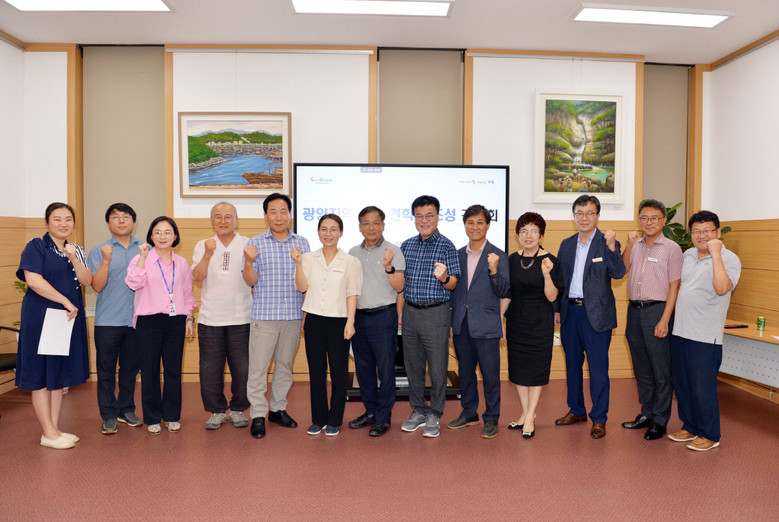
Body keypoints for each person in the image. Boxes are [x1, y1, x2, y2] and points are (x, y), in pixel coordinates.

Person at [16, 202, 92, 449]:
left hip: (65, 320)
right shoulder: (36, 245)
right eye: (57, 219)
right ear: (47, 222)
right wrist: (65, 301)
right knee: (40, 374)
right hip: (41, 317)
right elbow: (33, 281)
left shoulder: (76, 249)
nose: (63, 224)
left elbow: (87, 280)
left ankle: (55, 429)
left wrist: (74, 258)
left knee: (58, 374)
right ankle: (47, 433)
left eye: (68, 219)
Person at [668, 210, 740, 452]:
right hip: (680, 331)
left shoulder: (729, 258)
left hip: (706, 336)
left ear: (718, 232)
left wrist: (715, 253)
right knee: (683, 385)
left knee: (702, 387)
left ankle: (710, 434)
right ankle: (690, 426)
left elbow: (722, 288)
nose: (702, 235)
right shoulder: (687, 255)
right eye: (697, 231)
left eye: (708, 230)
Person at [555, 195, 625, 439]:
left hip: (597, 315)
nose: (584, 218)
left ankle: (599, 418)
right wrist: (556, 310)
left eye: (589, 213)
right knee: (572, 366)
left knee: (598, 369)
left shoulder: (607, 243)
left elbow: (618, 273)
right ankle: (576, 410)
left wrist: (612, 247)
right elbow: (559, 281)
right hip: (570, 313)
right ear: (574, 216)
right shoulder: (566, 244)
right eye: (579, 213)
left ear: (598, 216)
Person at [242, 193, 310, 439]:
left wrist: (306, 313)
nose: (279, 217)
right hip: (264, 316)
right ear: (265, 215)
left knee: (284, 366)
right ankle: (258, 414)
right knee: (258, 369)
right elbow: (250, 281)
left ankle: (278, 409)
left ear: (289, 214)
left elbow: (306, 282)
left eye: (283, 211)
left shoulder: (302, 243)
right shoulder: (255, 243)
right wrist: (249, 262)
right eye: (273, 211)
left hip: (292, 315)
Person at [292, 214, 362, 436]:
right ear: (318, 232)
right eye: (324, 229)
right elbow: (302, 287)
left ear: (341, 233)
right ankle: (319, 418)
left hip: (339, 321)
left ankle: (334, 419)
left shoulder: (350, 261)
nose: (328, 234)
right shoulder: (308, 258)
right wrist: (298, 264)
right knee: (317, 372)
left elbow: (352, 293)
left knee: (339, 373)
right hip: (314, 320)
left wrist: (350, 322)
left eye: (333, 229)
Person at [125, 216, 196, 435]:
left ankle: (172, 416)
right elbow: (133, 283)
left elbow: (187, 293)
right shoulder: (141, 258)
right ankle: (153, 417)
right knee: (150, 371)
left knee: (173, 370)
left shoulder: (182, 263)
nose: (162, 236)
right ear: (150, 236)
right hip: (149, 321)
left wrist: (189, 318)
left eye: (167, 232)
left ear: (175, 236)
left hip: (176, 320)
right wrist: (142, 258)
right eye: (157, 232)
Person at [620, 199, 683, 440]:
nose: (649, 222)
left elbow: (674, 286)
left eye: (654, 218)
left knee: (660, 370)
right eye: (644, 218)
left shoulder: (671, 248)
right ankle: (646, 413)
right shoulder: (636, 246)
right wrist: (629, 244)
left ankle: (660, 420)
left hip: (657, 311)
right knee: (641, 368)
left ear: (664, 221)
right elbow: (622, 270)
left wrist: (665, 320)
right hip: (634, 311)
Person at [399, 195, 461, 438]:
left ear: (438, 216)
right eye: (419, 216)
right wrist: (400, 315)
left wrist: (444, 278)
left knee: (437, 368)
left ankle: (435, 412)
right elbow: (401, 285)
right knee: (413, 366)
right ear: (414, 218)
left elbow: (453, 284)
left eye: (429, 215)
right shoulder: (406, 245)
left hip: (436, 312)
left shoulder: (447, 246)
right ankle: (418, 410)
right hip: (410, 312)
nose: (424, 220)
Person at [448, 204, 509, 439]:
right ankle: (469, 413)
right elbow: (453, 292)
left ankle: (492, 418)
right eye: (470, 223)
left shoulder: (498, 256)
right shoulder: (457, 254)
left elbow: (504, 290)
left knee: (490, 375)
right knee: (465, 373)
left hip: (486, 324)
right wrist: (452, 322)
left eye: (480, 223)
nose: (475, 227)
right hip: (461, 324)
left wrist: (494, 271)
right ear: (465, 225)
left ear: (488, 225)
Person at [504, 212, 564, 439]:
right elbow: (508, 293)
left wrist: (547, 275)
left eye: (533, 231)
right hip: (516, 320)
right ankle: (525, 412)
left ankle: (530, 415)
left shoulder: (550, 261)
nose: (528, 236)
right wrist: (501, 320)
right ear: (518, 235)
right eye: (523, 231)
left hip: (540, 322)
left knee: (537, 369)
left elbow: (552, 296)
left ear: (541, 235)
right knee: (518, 369)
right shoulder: (511, 260)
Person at [192, 202, 251, 430]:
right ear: (211, 221)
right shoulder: (202, 245)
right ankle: (216, 411)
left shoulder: (248, 244)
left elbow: (253, 279)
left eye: (228, 216)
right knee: (210, 370)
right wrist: (208, 254)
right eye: (218, 216)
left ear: (236, 220)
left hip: (242, 316)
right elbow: (197, 276)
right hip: (210, 318)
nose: (223, 221)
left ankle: (238, 409)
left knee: (243, 369)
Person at [347, 206, 405, 437]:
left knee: (386, 369)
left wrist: (389, 267)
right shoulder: (352, 252)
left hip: (384, 316)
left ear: (383, 225)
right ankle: (371, 411)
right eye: (366, 223)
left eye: (376, 223)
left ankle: (383, 417)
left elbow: (400, 287)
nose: (371, 227)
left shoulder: (393, 250)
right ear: (360, 227)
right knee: (363, 369)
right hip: (359, 317)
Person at [88, 203, 142, 435]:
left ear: (133, 222)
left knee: (130, 370)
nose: (121, 220)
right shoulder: (98, 251)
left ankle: (126, 410)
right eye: (115, 217)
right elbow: (97, 286)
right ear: (108, 223)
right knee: (106, 371)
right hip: (108, 321)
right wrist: (105, 260)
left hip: (137, 321)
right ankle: (108, 414)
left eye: (126, 217)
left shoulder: (146, 249)